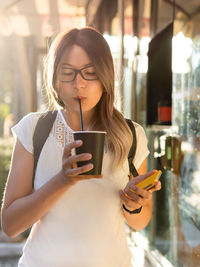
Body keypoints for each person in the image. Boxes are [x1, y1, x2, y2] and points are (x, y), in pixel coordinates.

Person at [1, 27, 161, 267]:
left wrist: (133, 205)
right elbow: (11, 225)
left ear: (105, 77)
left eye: (90, 73)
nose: (79, 84)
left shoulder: (131, 135)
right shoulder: (34, 130)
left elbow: (141, 221)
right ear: (55, 78)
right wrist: (63, 180)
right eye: (68, 72)